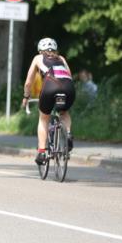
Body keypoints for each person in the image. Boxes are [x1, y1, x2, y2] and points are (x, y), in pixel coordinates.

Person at [21, 37, 76, 166]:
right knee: (64, 112)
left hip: (50, 88)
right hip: (68, 88)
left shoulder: (38, 58)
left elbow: (28, 82)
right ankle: (68, 134)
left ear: (40, 50)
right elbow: (69, 76)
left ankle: (41, 152)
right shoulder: (61, 58)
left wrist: (26, 96)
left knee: (44, 118)